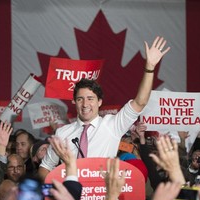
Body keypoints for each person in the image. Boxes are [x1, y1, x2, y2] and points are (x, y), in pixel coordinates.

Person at [39, 36, 170, 180]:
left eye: (90, 99)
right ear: (74, 102)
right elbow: (45, 167)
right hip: (72, 197)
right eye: (80, 99)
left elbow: (140, 103)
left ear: (100, 102)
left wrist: (149, 67)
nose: (85, 104)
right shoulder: (62, 133)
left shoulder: (112, 125)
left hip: (104, 198)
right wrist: (51, 191)